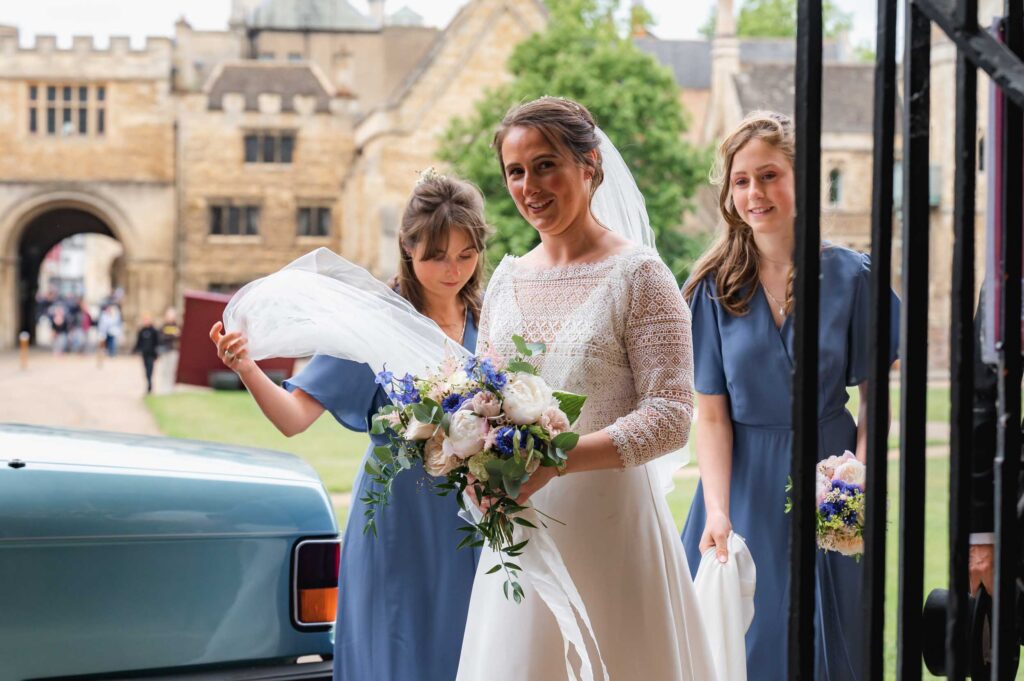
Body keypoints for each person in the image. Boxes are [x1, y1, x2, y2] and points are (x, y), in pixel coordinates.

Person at [456, 96, 715, 680]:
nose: (530, 186)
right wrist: (470, 463)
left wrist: (558, 461)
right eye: (515, 172)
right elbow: (479, 398)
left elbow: (671, 415)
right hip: (521, 533)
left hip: (611, 529)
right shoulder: (504, 282)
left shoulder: (641, 275)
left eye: (546, 164)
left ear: (590, 166)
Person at [210, 173, 490, 681]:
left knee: (468, 651)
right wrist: (247, 367)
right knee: (395, 650)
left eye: (466, 254)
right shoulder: (375, 322)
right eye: (436, 256)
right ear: (407, 247)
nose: (453, 270)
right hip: (395, 520)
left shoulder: (489, 318)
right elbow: (294, 419)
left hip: (470, 521)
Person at [678, 110, 900, 680]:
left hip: (832, 473)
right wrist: (720, 510)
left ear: (801, 179)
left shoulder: (855, 278)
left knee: (835, 635)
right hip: (741, 484)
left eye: (770, 175)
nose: (756, 191)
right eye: (742, 179)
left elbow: (878, 397)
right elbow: (712, 416)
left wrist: (858, 476)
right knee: (745, 641)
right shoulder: (711, 290)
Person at [133, 313, 160, 394]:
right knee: (146, 370)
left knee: (150, 369)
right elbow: (138, 342)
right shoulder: (141, 331)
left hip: (151, 353)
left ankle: (150, 383)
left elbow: (157, 342)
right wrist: (135, 350)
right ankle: (148, 382)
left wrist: (157, 352)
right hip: (145, 353)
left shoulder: (154, 331)